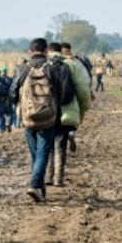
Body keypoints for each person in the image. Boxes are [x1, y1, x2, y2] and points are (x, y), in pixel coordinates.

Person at [10, 38, 64, 203]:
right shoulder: (52, 69)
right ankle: (36, 184)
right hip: (48, 118)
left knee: (35, 153)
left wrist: (20, 105)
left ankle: (39, 186)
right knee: (43, 152)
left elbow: (12, 92)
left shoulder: (23, 69)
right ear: (46, 51)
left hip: (28, 118)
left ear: (30, 51)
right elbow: (61, 92)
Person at [44, 42, 75, 187]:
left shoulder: (43, 67)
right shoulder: (65, 67)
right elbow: (69, 91)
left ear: (48, 51)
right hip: (62, 112)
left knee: (48, 145)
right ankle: (58, 178)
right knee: (60, 146)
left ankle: (48, 176)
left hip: (46, 112)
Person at [61, 42, 92, 152]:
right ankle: (72, 133)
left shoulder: (55, 62)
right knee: (75, 118)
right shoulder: (77, 62)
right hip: (75, 95)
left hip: (59, 98)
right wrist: (86, 100)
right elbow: (86, 81)